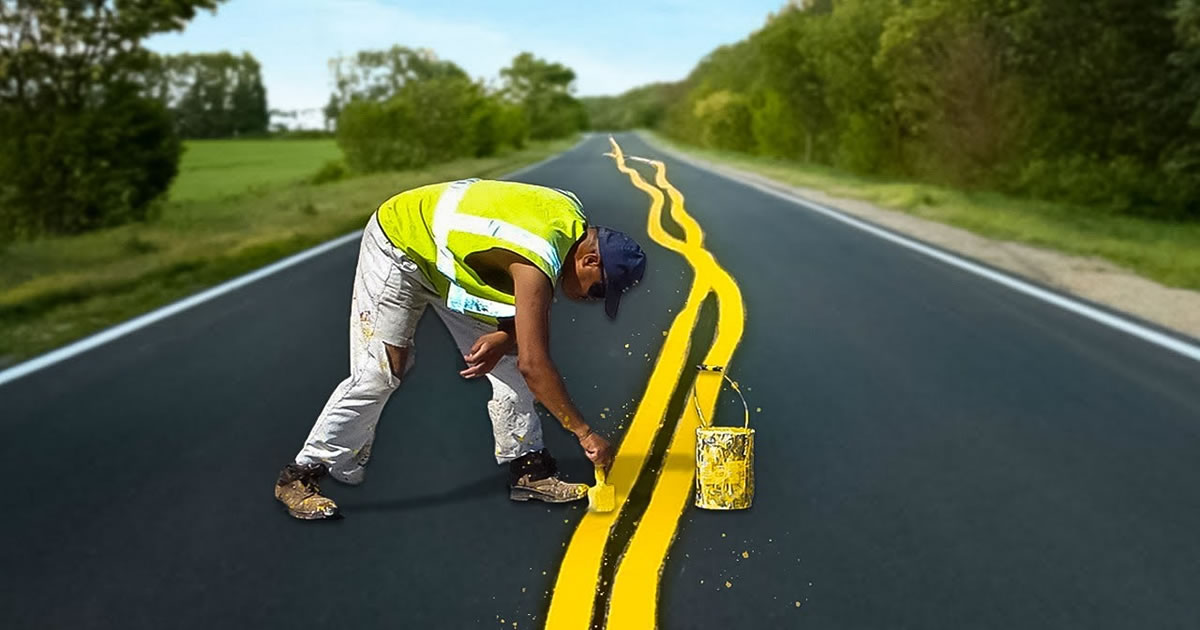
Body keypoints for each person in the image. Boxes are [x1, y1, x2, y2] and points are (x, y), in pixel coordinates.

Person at [274, 178, 647, 520]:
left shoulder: (571, 219)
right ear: (589, 260)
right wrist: (585, 434)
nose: (592, 300)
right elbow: (535, 364)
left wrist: (504, 336)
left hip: (450, 260)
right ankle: (302, 473)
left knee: (509, 359)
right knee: (382, 371)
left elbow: (507, 274)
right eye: (598, 290)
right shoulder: (539, 255)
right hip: (401, 244)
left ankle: (529, 470)